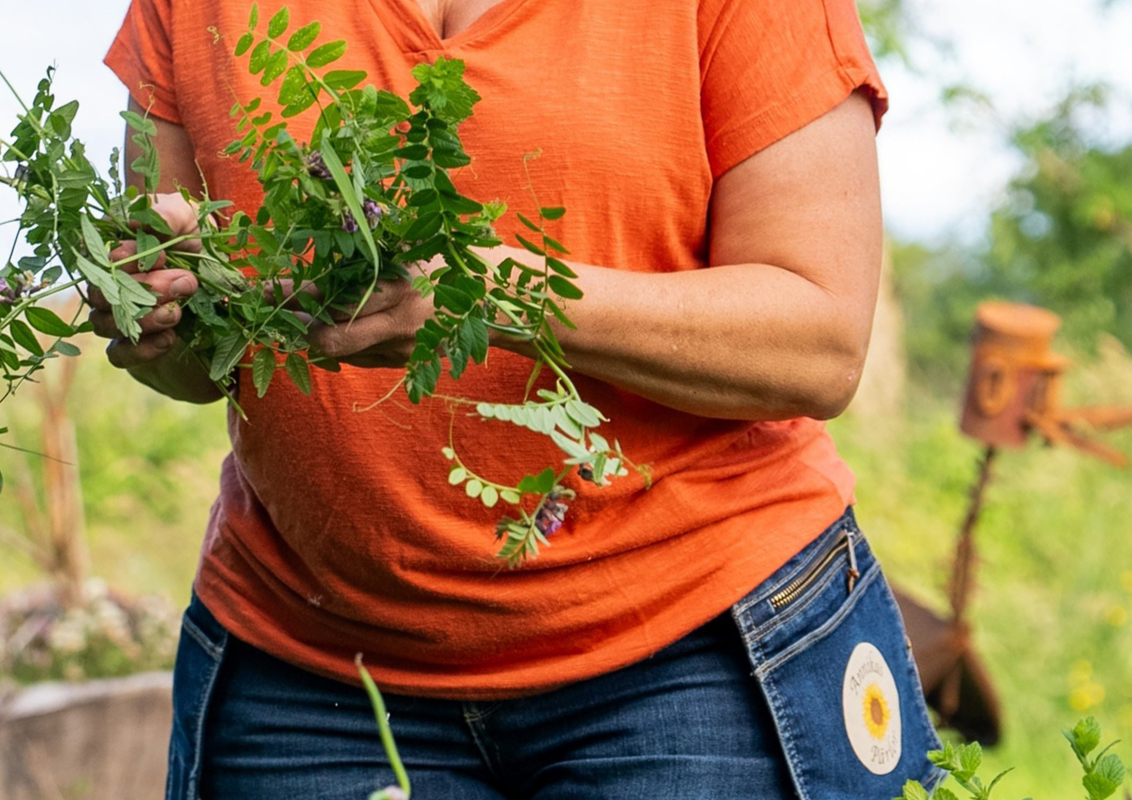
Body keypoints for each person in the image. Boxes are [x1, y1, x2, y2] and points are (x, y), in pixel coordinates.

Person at [96, 0, 945, 797]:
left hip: (694, 657)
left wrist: (489, 296)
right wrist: (160, 312)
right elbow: (200, 368)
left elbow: (819, 345)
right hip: (308, 681)